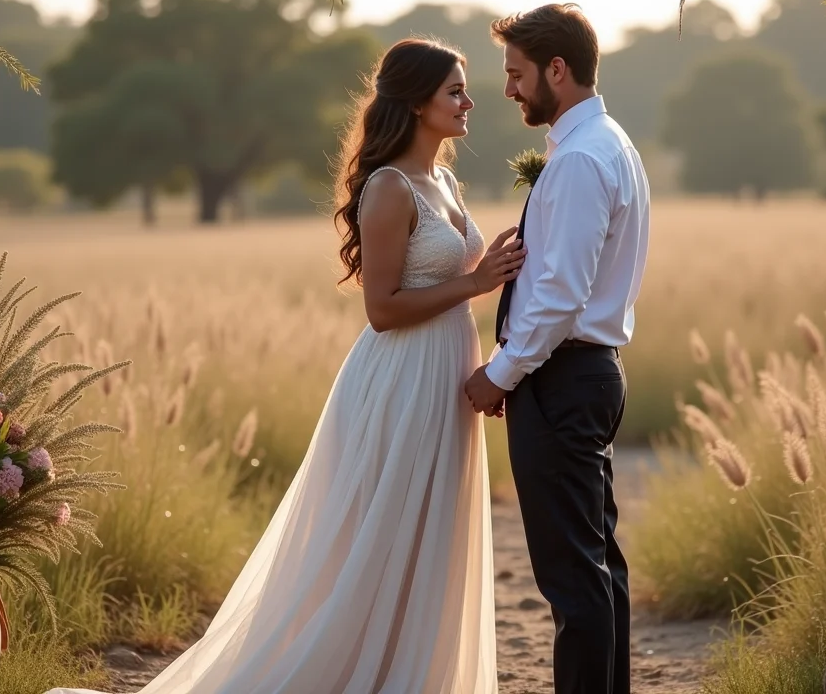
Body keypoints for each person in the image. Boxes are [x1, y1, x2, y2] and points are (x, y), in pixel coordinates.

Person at [47, 37, 523, 694]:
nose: (469, 101)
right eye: (454, 91)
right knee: (380, 533)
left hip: (446, 368)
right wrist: (477, 286)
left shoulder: (442, 180)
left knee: (430, 533)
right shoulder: (388, 188)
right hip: (401, 378)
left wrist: (485, 265)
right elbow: (382, 308)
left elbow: (437, 275)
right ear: (417, 103)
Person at [463, 3, 652, 694]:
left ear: (557, 69)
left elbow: (561, 295)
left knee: (573, 580)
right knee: (598, 564)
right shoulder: (609, 144)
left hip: (561, 378)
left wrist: (501, 373)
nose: (509, 90)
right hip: (587, 374)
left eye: (516, 74)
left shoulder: (578, 161)